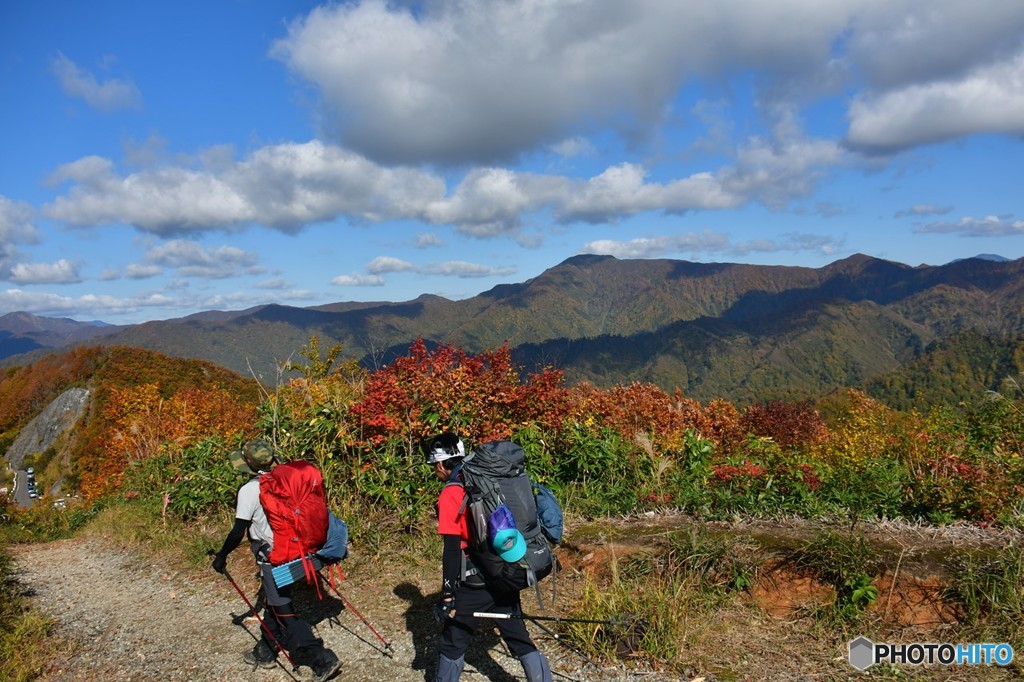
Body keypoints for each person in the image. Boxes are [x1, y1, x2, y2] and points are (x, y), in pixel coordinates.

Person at [211, 439, 341, 682]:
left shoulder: (250, 489)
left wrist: (221, 556)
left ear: (246, 463)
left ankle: (321, 658)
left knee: (284, 612)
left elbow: (238, 531)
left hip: (275, 559)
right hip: (299, 554)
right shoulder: (285, 480)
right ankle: (266, 652)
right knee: (275, 602)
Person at [427, 432, 553, 682]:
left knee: (453, 641)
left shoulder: (451, 492)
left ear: (441, 464)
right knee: (517, 635)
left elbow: (452, 548)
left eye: (434, 466)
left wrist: (448, 594)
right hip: (505, 568)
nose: (435, 472)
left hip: (475, 582)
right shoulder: (486, 479)